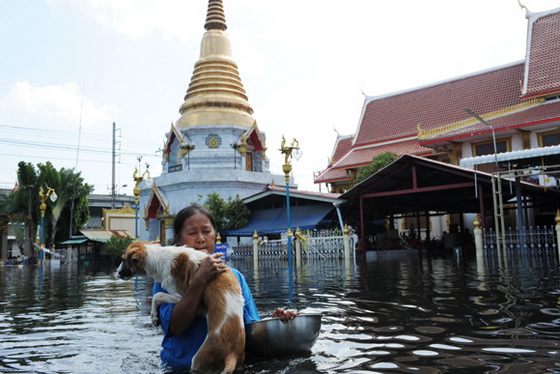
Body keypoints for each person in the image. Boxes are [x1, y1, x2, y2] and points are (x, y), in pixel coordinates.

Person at [153, 204, 299, 370]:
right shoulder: (167, 279)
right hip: (181, 368)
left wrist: (275, 323)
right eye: (192, 233)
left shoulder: (234, 277)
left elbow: (249, 333)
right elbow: (176, 327)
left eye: (207, 231)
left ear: (215, 234)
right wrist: (200, 280)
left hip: (225, 368)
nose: (201, 238)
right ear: (178, 239)